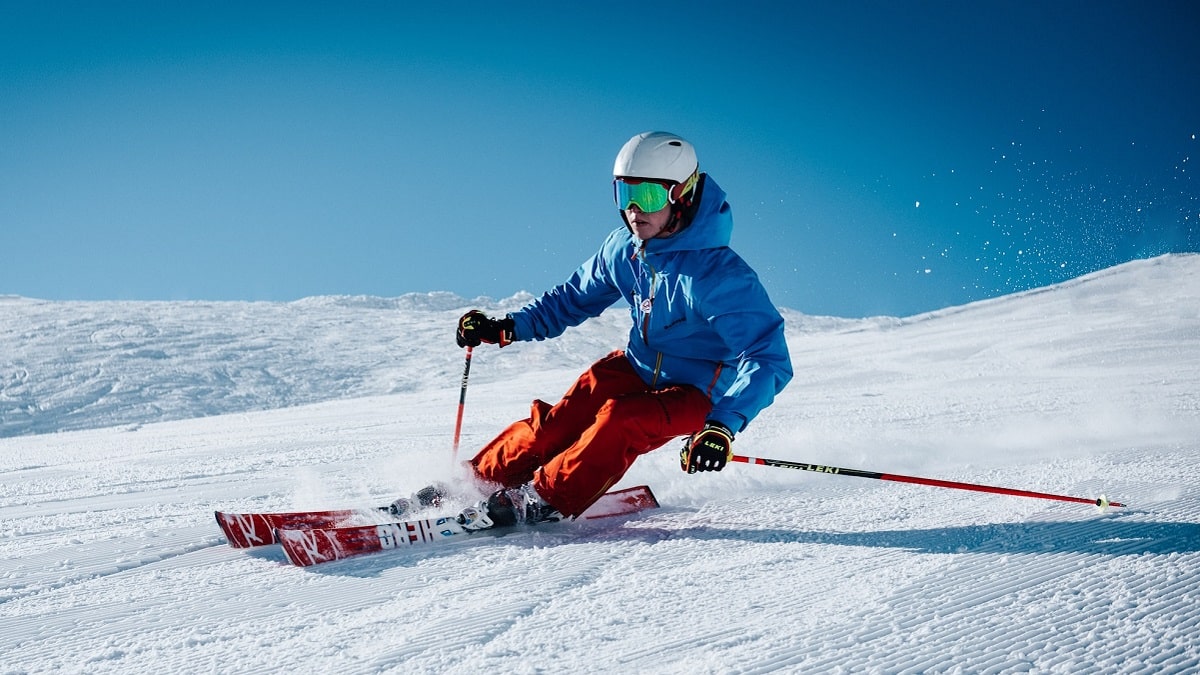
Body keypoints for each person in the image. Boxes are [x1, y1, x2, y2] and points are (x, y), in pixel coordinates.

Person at [453, 131, 793, 530]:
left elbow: (767, 358)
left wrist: (722, 425)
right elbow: (571, 299)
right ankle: (474, 481)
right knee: (559, 423)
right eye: (623, 194)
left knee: (622, 418)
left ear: (681, 194)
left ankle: (544, 498)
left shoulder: (718, 276)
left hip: (698, 392)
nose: (633, 210)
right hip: (636, 366)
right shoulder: (624, 248)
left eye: (647, 196)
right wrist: (507, 326)